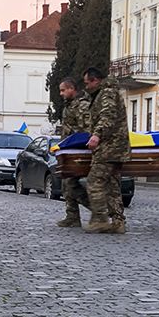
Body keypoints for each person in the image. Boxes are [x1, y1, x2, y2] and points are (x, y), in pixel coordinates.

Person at [82, 67, 130, 234]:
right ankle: (118, 222)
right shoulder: (108, 92)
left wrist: (96, 135)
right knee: (113, 186)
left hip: (109, 148)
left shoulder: (107, 93)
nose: (86, 87)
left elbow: (107, 116)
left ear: (96, 81)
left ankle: (100, 219)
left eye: (87, 83)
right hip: (116, 149)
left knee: (94, 182)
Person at [55, 78, 92, 228]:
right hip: (68, 150)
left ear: (72, 89)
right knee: (66, 183)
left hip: (79, 150)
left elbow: (87, 129)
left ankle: (98, 209)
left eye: (63, 90)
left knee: (71, 184)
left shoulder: (82, 105)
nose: (61, 93)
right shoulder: (68, 106)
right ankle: (72, 216)